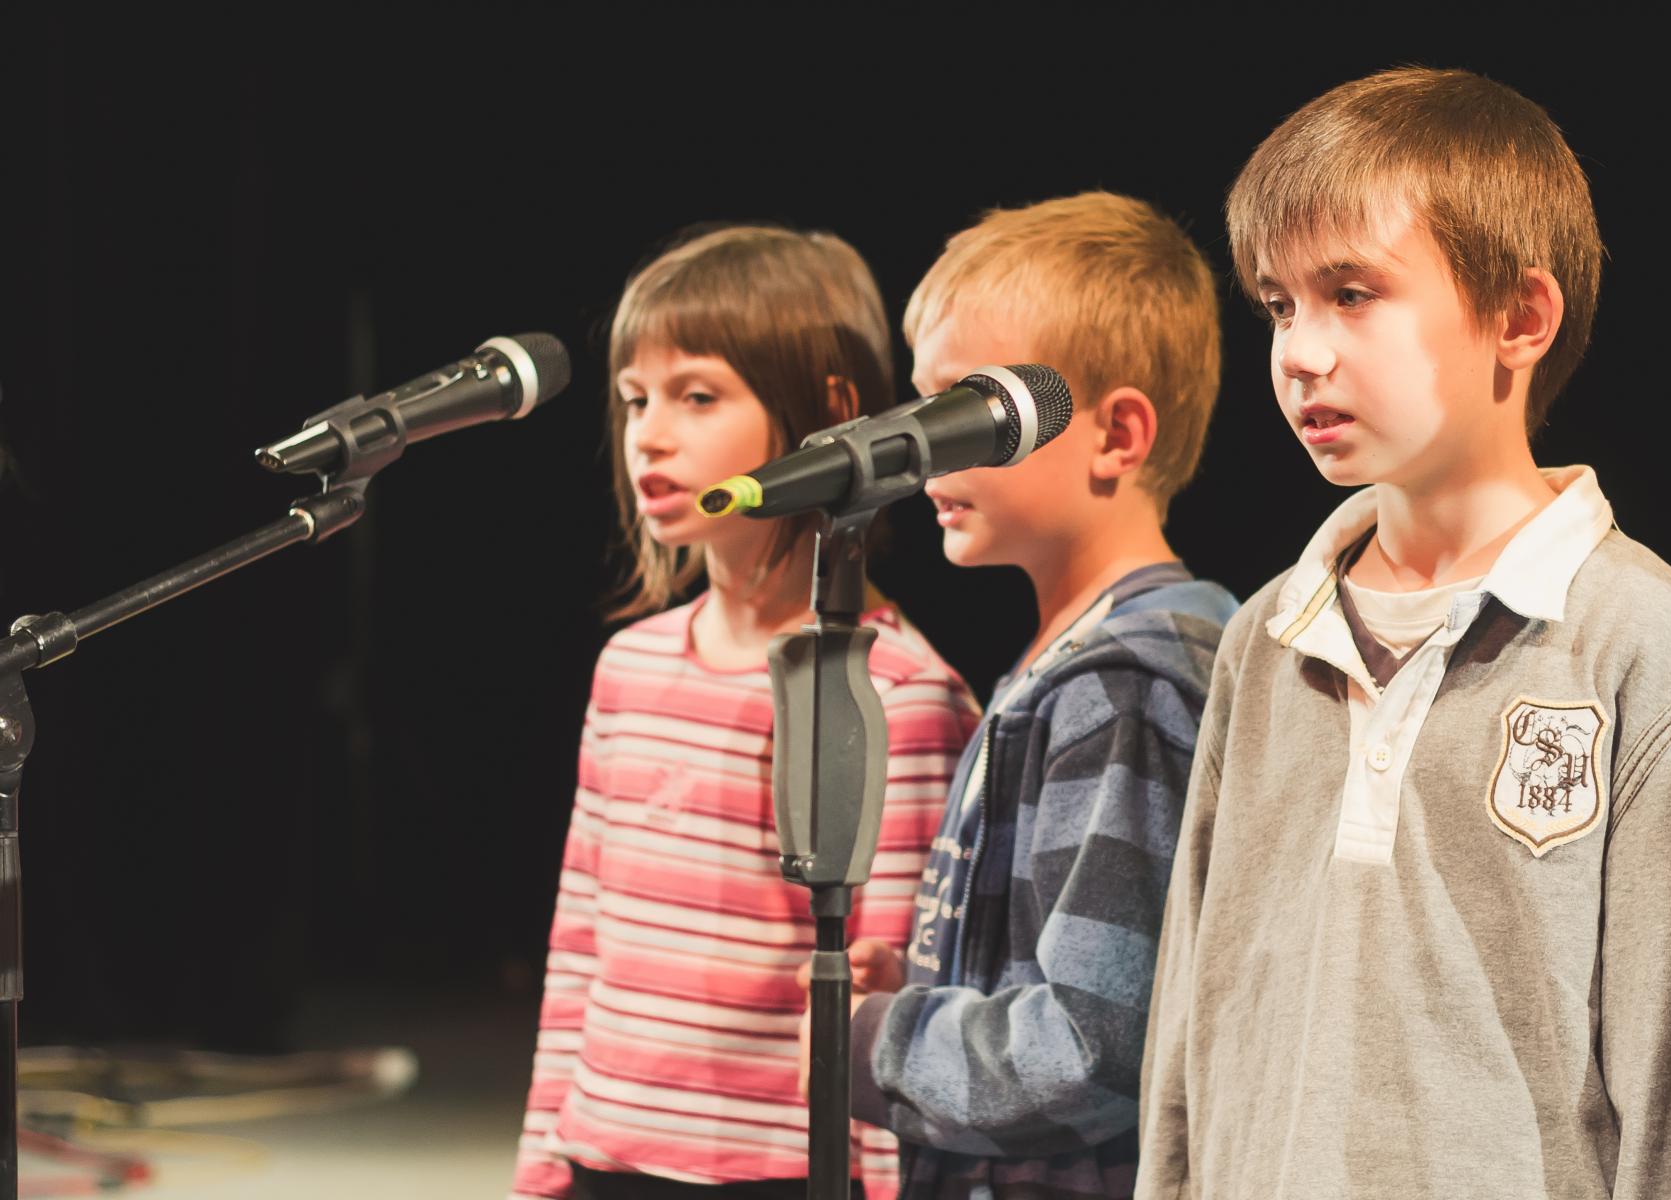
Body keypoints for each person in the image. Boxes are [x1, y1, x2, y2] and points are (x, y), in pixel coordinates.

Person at [1137, 68, 1671, 1200]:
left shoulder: (1638, 639)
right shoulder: (1264, 638)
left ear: (1518, 318)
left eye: (1351, 294)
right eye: (1279, 305)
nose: (1300, 351)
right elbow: (1188, 1024)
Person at [513, 225, 979, 1200]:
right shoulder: (629, 668)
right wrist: (544, 1159)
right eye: (634, 399)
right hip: (606, 1153)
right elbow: (581, 935)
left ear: (831, 414)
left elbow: (889, 995)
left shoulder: (895, 691)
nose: (649, 434)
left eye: (697, 396)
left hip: (777, 1172)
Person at [813, 191, 1240, 1200]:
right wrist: (931, 989)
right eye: (920, 403)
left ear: (1116, 435)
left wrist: (878, 1042)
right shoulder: (1070, 658)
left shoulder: (1122, 686)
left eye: (963, 407)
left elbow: (1091, 1043)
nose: (921, 443)